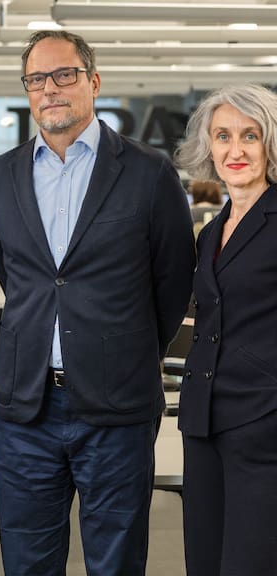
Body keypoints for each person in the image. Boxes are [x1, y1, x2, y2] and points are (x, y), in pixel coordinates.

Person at [0, 30, 196, 575]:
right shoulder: (0, 176)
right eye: (36, 79)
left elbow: (172, 284)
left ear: (93, 82)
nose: (50, 88)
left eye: (64, 75)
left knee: (116, 560)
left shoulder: (148, 173)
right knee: (27, 560)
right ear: (26, 91)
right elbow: (13, 272)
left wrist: (123, 348)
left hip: (117, 405)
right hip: (26, 405)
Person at [174, 83, 277, 576]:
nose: (235, 150)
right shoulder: (214, 227)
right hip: (205, 420)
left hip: (263, 421)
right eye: (222, 136)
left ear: (270, 143)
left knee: (248, 563)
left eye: (250, 136)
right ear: (208, 146)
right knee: (204, 562)